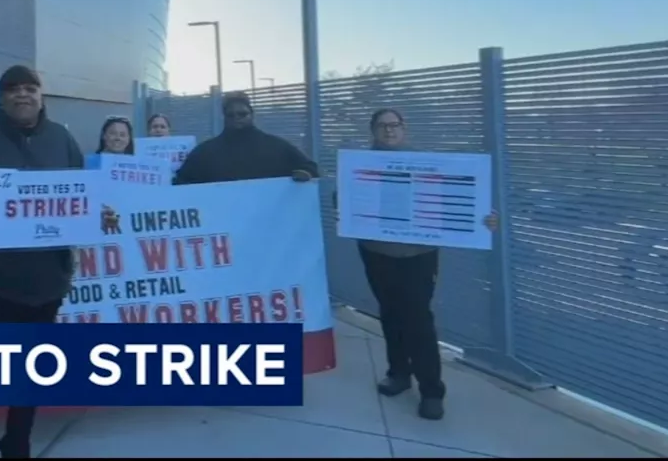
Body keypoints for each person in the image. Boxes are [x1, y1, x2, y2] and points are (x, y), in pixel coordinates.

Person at [0, 65, 118, 459]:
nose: (23, 95)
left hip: (47, 284)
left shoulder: (62, 139)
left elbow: (79, 198)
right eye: (14, 89)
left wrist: (97, 216)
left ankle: (16, 445)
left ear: (42, 95)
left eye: (30, 88)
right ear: (2, 97)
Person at [352, 108, 499, 422]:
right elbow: (347, 204)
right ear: (372, 131)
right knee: (390, 314)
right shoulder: (358, 165)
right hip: (377, 252)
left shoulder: (428, 164)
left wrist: (483, 219)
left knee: (418, 319)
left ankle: (432, 391)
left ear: (404, 129)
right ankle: (399, 374)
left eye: (394, 125)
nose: (389, 131)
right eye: (382, 126)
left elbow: (458, 199)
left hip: (417, 256)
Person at [173, 91, 319, 185]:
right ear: (224, 117)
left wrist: (305, 174)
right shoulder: (205, 152)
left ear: (251, 114)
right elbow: (182, 181)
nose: (237, 118)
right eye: (231, 115)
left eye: (242, 114)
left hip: (268, 226)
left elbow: (310, 168)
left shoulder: (276, 146)